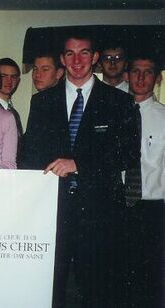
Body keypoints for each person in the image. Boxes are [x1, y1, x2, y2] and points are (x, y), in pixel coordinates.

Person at [19, 32, 139, 307]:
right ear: (62, 58)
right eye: (70, 53)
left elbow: (129, 155)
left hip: (100, 212)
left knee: (96, 288)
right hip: (52, 210)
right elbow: (30, 156)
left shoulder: (118, 102)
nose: (77, 60)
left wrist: (79, 165)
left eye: (84, 52)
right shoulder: (42, 102)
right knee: (50, 285)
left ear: (94, 58)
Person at [126, 52, 164, 307]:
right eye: (136, 71)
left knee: (151, 281)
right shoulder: (112, 113)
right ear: (127, 75)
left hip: (153, 210)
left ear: (158, 78)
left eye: (147, 71)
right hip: (117, 206)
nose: (140, 77)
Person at [0, 57, 23, 138]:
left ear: (18, 80)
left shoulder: (14, 113)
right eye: (3, 76)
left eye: (13, 77)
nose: (9, 81)